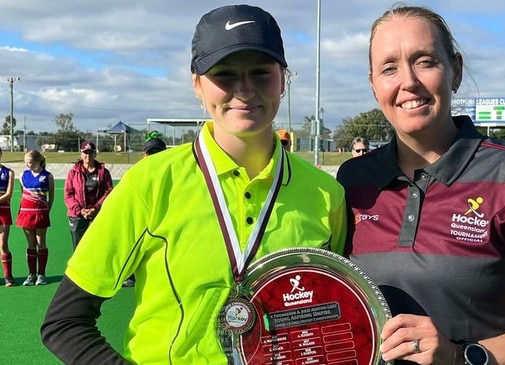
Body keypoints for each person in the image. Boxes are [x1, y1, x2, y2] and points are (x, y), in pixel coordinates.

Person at [41, 5, 347, 364]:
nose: (244, 90)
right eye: (225, 74)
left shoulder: (327, 195)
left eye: (261, 73)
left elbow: (336, 318)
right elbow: (64, 322)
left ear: (284, 79)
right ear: (197, 84)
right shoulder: (150, 183)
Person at [336, 5, 505, 364]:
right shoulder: (353, 179)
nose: (408, 81)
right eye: (389, 68)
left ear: (455, 71)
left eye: (425, 61)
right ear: (373, 84)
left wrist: (462, 356)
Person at [122, 131, 168, 287]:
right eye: (151, 153)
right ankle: (131, 274)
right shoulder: (135, 174)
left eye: (158, 153)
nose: (154, 157)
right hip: (142, 218)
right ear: (144, 155)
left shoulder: (174, 172)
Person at [64, 141, 113, 251]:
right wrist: (80, 210)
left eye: (91, 153)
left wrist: (96, 208)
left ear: (95, 154)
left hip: (97, 213)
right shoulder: (73, 172)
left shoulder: (103, 172)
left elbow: (108, 191)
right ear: (81, 154)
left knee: (99, 247)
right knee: (78, 249)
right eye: (85, 153)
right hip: (78, 214)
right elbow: (68, 194)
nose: (88, 156)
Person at [17, 150, 54, 286]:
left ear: (38, 161)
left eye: (30, 162)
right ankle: (31, 274)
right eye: (26, 162)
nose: (27, 165)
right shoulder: (22, 175)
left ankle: (41, 274)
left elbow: (51, 197)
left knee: (41, 242)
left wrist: (46, 211)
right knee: (31, 244)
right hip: (26, 213)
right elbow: (23, 194)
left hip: (41, 214)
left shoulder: (47, 176)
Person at [0, 148, 16, 287]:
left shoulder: (9, 172)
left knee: (3, 245)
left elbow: (9, 194)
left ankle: (8, 276)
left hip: (3, 211)